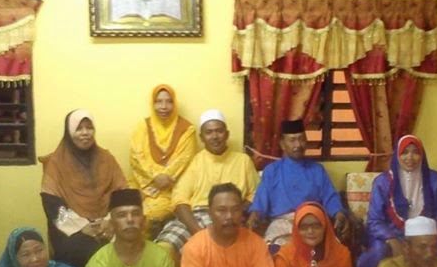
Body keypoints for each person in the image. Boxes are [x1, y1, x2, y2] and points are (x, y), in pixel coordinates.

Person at [155, 109, 260, 253]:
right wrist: (198, 232)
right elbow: (180, 200)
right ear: (202, 137)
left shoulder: (243, 161)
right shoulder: (195, 161)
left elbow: (256, 194)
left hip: (228, 217)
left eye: (219, 131)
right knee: (164, 249)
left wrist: (237, 211)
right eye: (209, 132)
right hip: (195, 216)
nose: (215, 136)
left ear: (227, 134)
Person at [40, 109, 127, 267]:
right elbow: (53, 206)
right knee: (98, 254)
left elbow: (123, 193)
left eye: (89, 127)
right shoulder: (57, 163)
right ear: (69, 132)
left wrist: (109, 220)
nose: (85, 133)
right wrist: (83, 227)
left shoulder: (106, 158)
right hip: (72, 230)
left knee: (130, 246)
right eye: (79, 128)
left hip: (108, 224)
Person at [356, 134, 437, 267]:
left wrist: (423, 235)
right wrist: (392, 239)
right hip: (389, 233)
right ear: (397, 155)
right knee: (378, 252)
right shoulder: (382, 182)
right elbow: (374, 221)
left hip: (424, 234)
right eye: (404, 152)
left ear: (422, 155)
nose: (410, 157)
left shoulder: (433, 179)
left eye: (415, 152)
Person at [248, 119, 351, 250]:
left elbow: (330, 197)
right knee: (274, 252)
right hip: (282, 223)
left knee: (331, 252)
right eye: (292, 140)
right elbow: (260, 201)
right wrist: (254, 215)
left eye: (301, 139)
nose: (298, 144)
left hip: (312, 222)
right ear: (282, 144)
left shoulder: (317, 170)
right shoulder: (272, 171)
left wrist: (338, 213)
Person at [129, 84, 197, 235]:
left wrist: (162, 181)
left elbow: (184, 161)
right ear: (152, 104)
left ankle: (144, 249)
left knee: (147, 215)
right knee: (123, 209)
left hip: (170, 190)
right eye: (159, 101)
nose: (164, 107)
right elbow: (136, 158)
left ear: (175, 104)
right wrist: (155, 177)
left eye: (169, 101)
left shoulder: (187, 130)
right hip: (140, 185)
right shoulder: (142, 127)